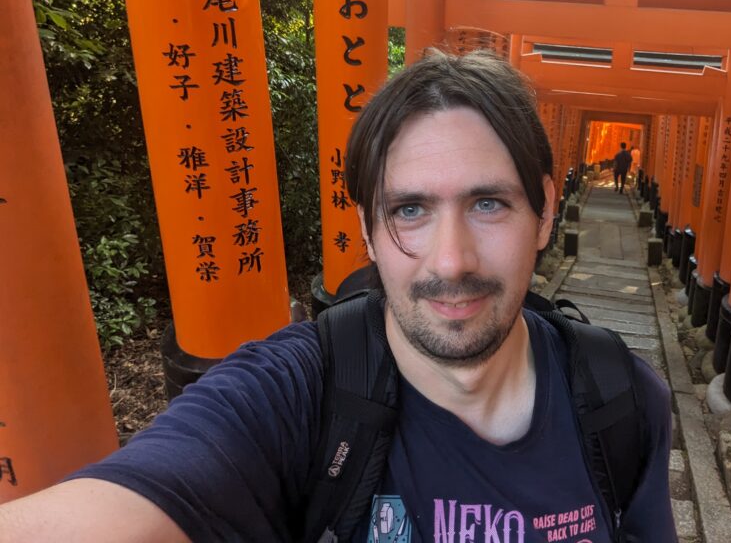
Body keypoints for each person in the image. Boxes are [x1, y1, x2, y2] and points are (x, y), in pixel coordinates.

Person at [0, 51, 675, 542]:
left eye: (489, 203)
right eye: (410, 210)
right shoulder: (296, 397)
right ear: (369, 233)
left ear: (546, 210)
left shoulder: (620, 399)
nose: (451, 260)